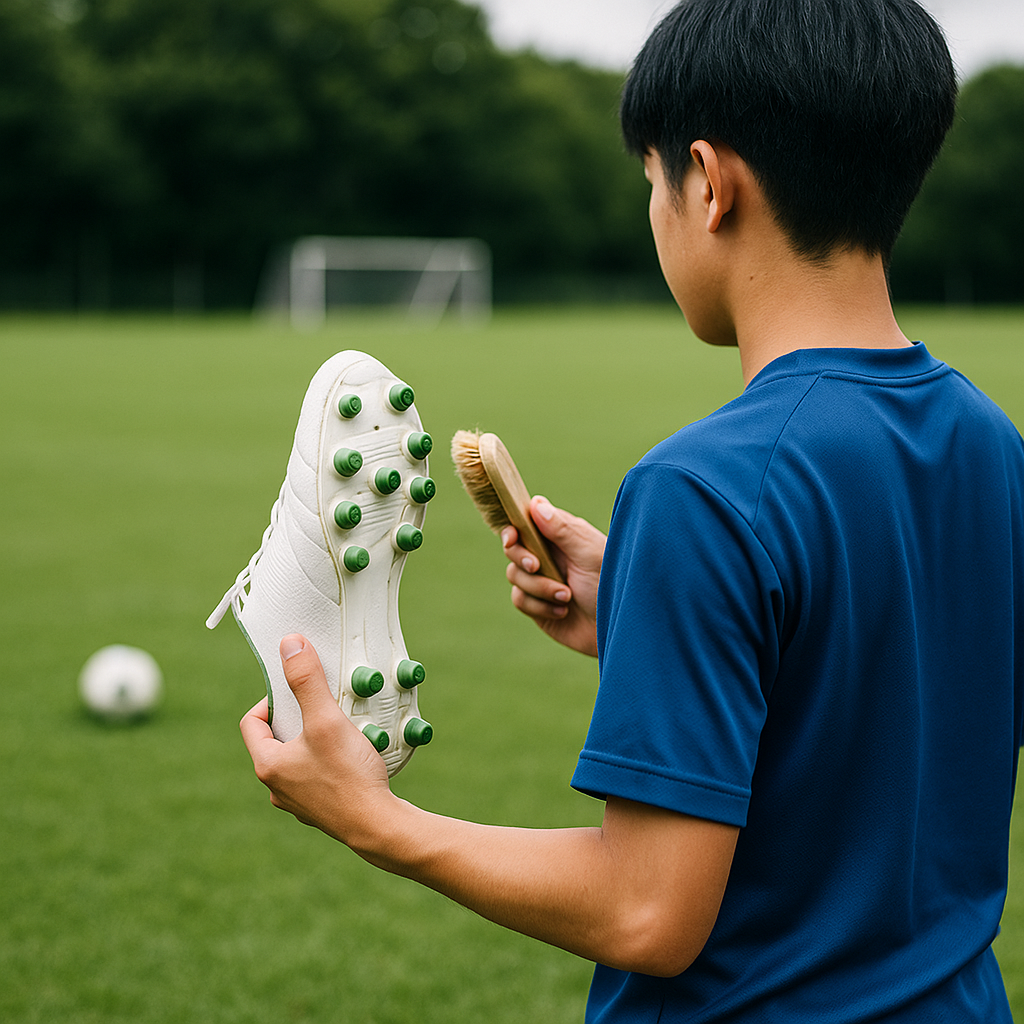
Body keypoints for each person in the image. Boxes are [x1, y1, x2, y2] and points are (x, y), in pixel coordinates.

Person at [240, 0, 1024, 1019]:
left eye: (648, 181)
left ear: (707, 182)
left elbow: (649, 912)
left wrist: (375, 818)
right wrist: (646, 621)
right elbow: (907, 712)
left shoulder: (704, 486)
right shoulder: (992, 442)